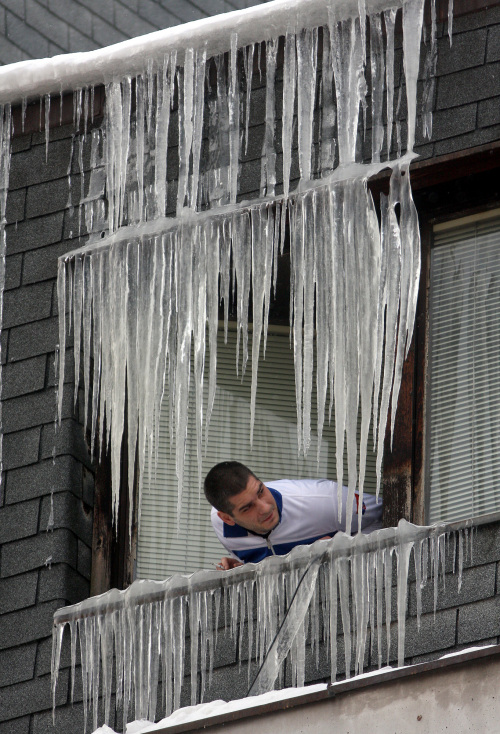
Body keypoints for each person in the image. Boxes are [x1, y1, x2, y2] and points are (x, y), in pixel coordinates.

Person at [204, 461, 383, 569]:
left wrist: (343, 547)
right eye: (247, 507)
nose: (265, 508)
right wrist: (245, 570)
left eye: (260, 491)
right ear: (227, 518)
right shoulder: (221, 527)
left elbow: (387, 516)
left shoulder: (327, 500)